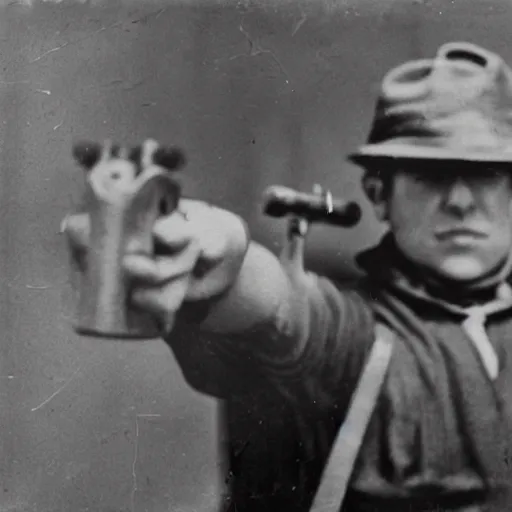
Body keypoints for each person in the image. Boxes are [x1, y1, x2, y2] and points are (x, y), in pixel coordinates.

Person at [64, 41, 512, 512]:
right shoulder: (354, 335)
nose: (461, 202)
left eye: (486, 175)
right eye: (431, 176)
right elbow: (286, 313)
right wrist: (220, 258)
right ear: (379, 195)